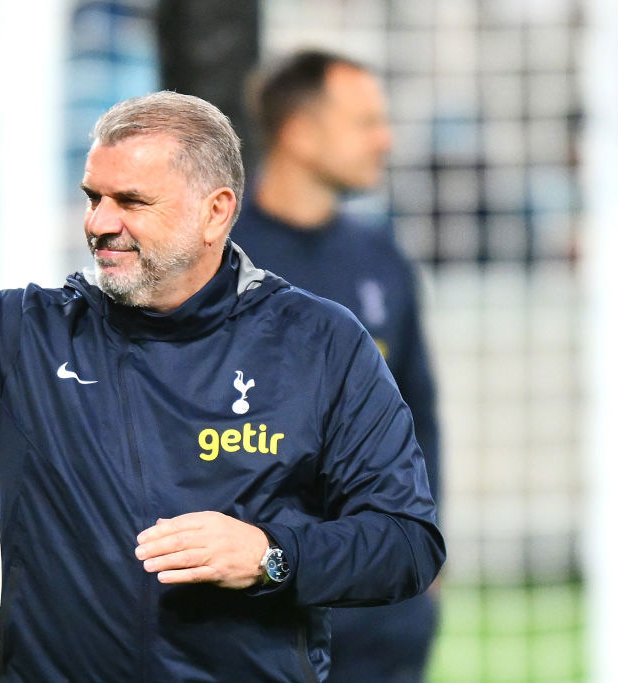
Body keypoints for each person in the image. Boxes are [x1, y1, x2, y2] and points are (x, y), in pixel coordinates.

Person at [0, 91, 444, 681]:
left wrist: (269, 553)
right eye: (92, 196)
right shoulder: (19, 336)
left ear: (215, 211)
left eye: (131, 200)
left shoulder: (318, 342)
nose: (100, 223)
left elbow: (406, 542)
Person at [233, 49, 442, 682]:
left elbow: (419, 415)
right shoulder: (216, 259)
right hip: (257, 610)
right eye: (364, 122)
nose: (386, 139)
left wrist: (430, 552)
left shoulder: (380, 254)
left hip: (380, 613)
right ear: (298, 132)